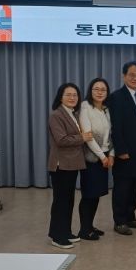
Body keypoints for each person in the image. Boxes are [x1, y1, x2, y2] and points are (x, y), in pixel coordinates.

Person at [109, 61, 136, 235]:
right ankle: (119, 221)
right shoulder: (116, 97)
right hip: (125, 151)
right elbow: (115, 126)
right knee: (122, 187)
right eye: (131, 75)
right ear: (124, 76)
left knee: (135, 186)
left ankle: (130, 217)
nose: (135, 78)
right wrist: (120, 150)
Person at [47, 82, 92, 249]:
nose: (72, 98)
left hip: (72, 164)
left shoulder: (73, 113)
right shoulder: (56, 115)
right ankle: (57, 236)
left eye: (75, 95)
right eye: (68, 95)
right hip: (61, 165)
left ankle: (65, 231)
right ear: (61, 97)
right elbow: (61, 140)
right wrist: (82, 138)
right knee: (61, 202)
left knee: (68, 200)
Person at [78, 77, 114, 241]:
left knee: (96, 194)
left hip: (104, 156)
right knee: (88, 194)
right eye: (96, 89)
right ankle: (84, 230)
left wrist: (110, 154)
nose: (100, 92)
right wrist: (102, 156)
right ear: (90, 91)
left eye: (103, 89)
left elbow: (111, 134)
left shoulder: (106, 109)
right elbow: (88, 136)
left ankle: (90, 225)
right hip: (91, 158)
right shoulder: (85, 107)